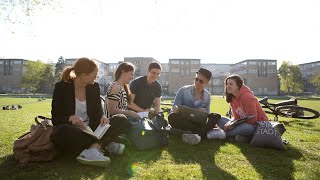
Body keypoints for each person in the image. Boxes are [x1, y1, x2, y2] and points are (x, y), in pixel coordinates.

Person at [52, 57, 130, 167]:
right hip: (76, 132)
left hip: (93, 130)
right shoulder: (61, 88)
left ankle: (93, 148)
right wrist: (70, 118)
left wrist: (103, 116)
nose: (96, 78)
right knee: (63, 132)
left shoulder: (94, 87)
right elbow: (56, 118)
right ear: (84, 75)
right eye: (94, 75)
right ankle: (102, 145)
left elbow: (98, 109)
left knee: (121, 119)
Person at [168, 67, 218, 145]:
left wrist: (204, 113)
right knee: (171, 117)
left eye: (201, 81)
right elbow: (173, 109)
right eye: (196, 79)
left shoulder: (207, 96)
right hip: (183, 120)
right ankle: (201, 133)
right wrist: (175, 110)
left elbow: (207, 115)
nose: (197, 82)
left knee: (216, 116)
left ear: (207, 83)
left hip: (197, 122)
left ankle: (185, 133)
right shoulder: (183, 90)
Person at [217, 74, 269, 143]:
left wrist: (234, 125)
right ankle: (242, 137)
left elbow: (252, 120)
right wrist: (230, 123)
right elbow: (235, 117)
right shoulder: (232, 97)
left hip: (257, 126)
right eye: (227, 84)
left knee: (244, 128)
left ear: (238, 86)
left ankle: (221, 134)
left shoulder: (247, 96)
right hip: (241, 124)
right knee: (219, 118)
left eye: (231, 84)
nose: (228, 86)